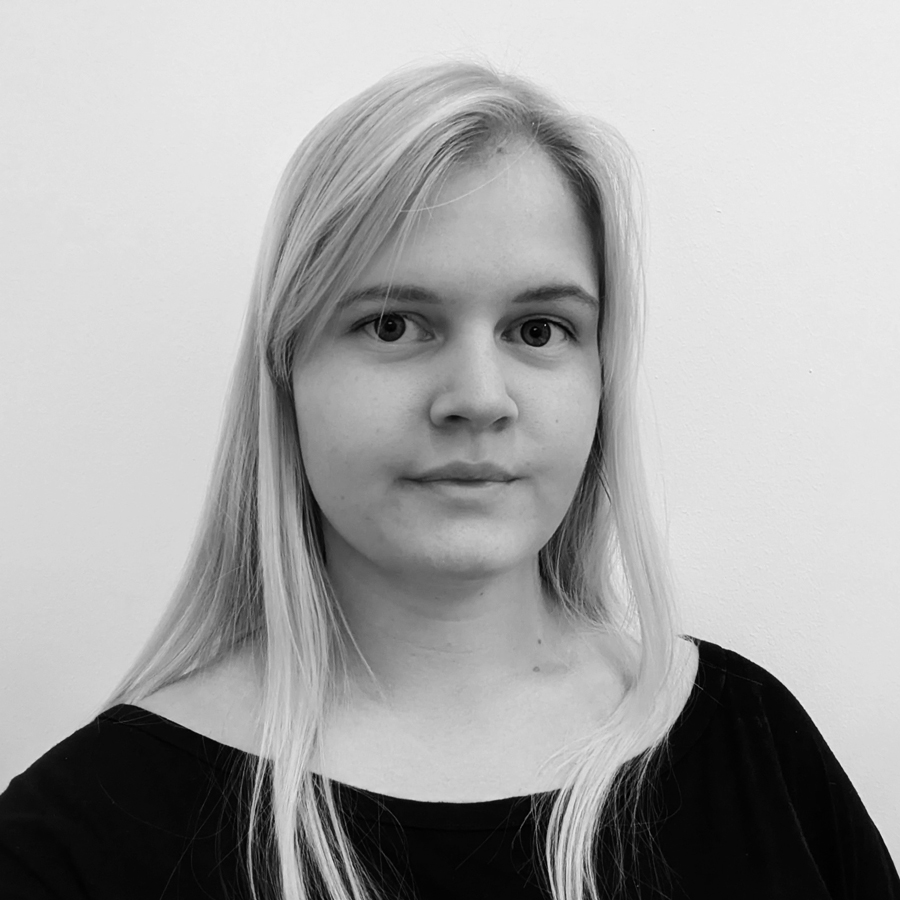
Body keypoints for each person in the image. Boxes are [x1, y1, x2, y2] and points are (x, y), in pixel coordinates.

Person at [0, 56, 896, 900]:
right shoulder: (74, 840)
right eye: (393, 325)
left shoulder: (756, 749)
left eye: (539, 330)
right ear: (287, 370)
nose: (478, 398)